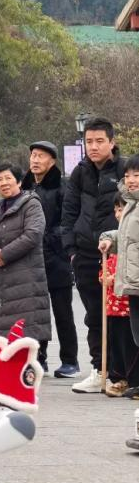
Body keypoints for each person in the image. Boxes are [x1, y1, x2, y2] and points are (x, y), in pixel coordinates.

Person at [62, 117, 126, 393]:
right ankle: (99, 369)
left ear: (112, 142)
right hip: (86, 254)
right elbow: (68, 212)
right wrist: (71, 250)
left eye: (100, 141)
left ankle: (120, 372)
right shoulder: (79, 173)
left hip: (117, 254)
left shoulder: (124, 171)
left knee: (119, 315)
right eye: (89, 141)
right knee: (94, 315)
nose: (94, 146)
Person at [0, 164, 51, 367]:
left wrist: (4, 254)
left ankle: (31, 365)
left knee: (25, 323)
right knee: (2, 325)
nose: (3, 183)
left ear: (19, 181)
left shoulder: (31, 204)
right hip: (1, 278)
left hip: (26, 277)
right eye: (0, 179)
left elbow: (33, 235)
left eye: (8, 178)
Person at [22, 141, 80, 378]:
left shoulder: (62, 187)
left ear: (52, 161)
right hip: (31, 260)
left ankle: (70, 361)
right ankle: (39, 359)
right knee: (36, 313)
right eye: (33, 155)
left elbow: (68, 221)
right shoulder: (24, 187)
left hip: (57, 258)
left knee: (62, 312)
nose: (35, 160)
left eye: (41, 156)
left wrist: (50, 240)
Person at [99, 155, 139, 399]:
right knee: (136, 334)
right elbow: (127, 236)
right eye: (127, 175)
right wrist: (109, 240)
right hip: (133, 280)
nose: (131, 180)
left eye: (137, 175)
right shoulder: (131, 203)